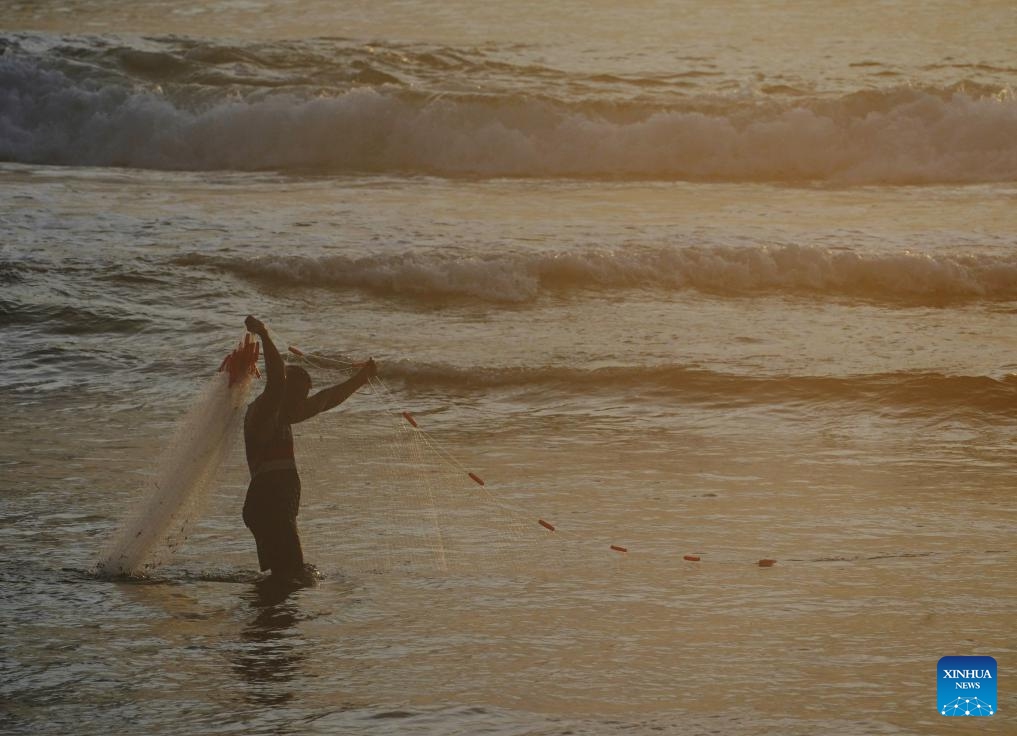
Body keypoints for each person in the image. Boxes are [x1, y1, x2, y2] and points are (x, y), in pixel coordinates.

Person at [241, 315, 377, 581]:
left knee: (287, 578)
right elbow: (277, 382)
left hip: (278, 505)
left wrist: (362, 378)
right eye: (298, 395)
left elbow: (326, 400)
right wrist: (265, 335)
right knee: (292, 578)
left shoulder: (284, 414)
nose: (302, 403)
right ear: (284, 391)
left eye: (303, 396)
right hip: (268, 504)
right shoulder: (262, 412)